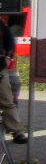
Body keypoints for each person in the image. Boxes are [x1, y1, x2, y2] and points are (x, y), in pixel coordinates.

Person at [0, 14, 26, 144]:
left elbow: (10, 41)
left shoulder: (1, 24)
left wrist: (8, 57)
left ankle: (17, 132)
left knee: (6, 100)